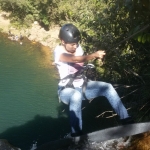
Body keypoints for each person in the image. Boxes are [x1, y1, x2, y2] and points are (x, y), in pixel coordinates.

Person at [54, 23, 134, 137]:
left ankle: (126, 120)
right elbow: (75, 59)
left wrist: (94, 61)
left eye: (76, 44)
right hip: (66, 91)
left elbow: (80, 62)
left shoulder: (78, 47)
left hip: (82, 86)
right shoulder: (58, 52)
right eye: (72, 45)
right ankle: (76, 134)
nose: (75, 47)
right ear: (63, 41)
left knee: (108, 87)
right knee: (75, 96)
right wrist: (93, 55)